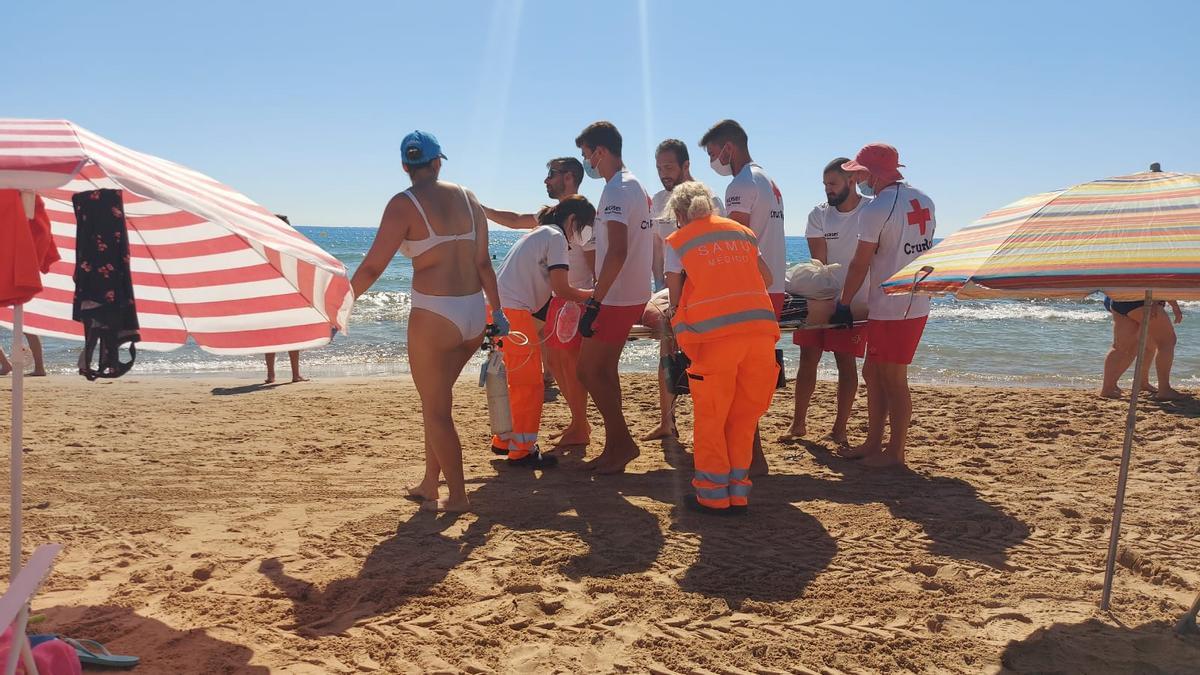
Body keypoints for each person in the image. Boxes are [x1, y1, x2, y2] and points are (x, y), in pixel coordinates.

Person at [350, 130, 505, 513]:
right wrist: (497, 313)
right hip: (473, 313)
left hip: (434, 315)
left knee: (436, 410)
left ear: (406, 166)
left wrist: (341, 303)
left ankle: (458, 497)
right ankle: (429, 485)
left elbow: (372, 266)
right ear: (437, 162)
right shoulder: (469, 199)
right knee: (434, 401)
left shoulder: (403, 204)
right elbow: (484, 263)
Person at [664, 181, 779, 514]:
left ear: (680, 213)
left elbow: (674, 294)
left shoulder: (680, 241)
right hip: (759, 335)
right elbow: (767, 278)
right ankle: (738, 493)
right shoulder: (741, 233)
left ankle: (713, 496)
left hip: (715, 340)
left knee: (712, 417)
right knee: (742, 417)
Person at [833, 143, 936, 468]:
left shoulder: (877, 208)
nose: (856, 179)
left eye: (859, 172)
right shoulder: (924, 199)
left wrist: (844, 302)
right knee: (872, 372)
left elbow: (860, 263)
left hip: (898, 305)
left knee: (892, 377)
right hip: (909, 299)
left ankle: (895, 453)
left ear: (872, 174)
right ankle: (873, 443)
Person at [701, 119, 785, 476]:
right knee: (751, 377)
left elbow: (732, 243)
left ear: (728, 148)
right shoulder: (767, 180)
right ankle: (751, 455)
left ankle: (744, 458)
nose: (713, 161)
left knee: (734, 379)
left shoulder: (741, 184)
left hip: (749, 293)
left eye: (712, 153)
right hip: (772, 289)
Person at [491, 196, 596, 467]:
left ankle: (504, 440)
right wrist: (597, 296)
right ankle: (522, 450)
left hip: (499, 310)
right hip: (514, 313)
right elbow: (562, 288)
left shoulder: (537, 234)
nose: (582, 237)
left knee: (512, 381)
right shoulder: (556, 237)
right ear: (572, 220)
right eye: (584, 228)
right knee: (529, 384)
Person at [574, 121, 653, 474]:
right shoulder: (632, 185)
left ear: (600, 152)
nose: (586, 161)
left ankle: (622, 443)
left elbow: (617, 252)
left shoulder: (618, 189)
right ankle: (616, 444)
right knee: (603, 370)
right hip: (629, 291)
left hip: (618, 296)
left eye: (586, 154)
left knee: (588, 370)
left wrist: (595, 300)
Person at [483, 158, 592, 403]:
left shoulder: (583, 219)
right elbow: (514, 220)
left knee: (541, 364)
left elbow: (595, 263)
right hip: (551, 296)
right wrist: (482, 209)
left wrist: (593, 298)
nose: (546, 179)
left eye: (552, 174)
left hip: (566, 300)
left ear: (569, 177)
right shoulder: (552, 220)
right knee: (530, 368)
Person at [645, 139, 725, 441]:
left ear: (686, 165)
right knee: (667, 352)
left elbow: (716, 247)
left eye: (669, 167)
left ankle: (707, 425)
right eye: (659, 168)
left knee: (704, 361)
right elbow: (657, 250)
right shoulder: (657, 200)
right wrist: (660, 290)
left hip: (704, 292)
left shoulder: (708, 199)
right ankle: (667, 422)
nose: (664, 173)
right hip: (671, 287)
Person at [787, 158, 871, 444]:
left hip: (856, 302)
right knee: (807, 359)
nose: (828, 190)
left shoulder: (871, 210)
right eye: (825, 185)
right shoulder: (819, 214)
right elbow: (818, 265)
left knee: (845, 363)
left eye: (833, 184)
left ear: (851, 181)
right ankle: (798, 424)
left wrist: (847, 302)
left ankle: (839, 429)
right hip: (820, 300)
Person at [1100, 297, 1186, 401]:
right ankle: (1164, 389)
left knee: (1124, 347)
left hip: (1120, 300)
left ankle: (1108, 388)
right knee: (1166, 342)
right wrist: (1173, 306)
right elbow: (1161, 282)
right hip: (1144, 301)